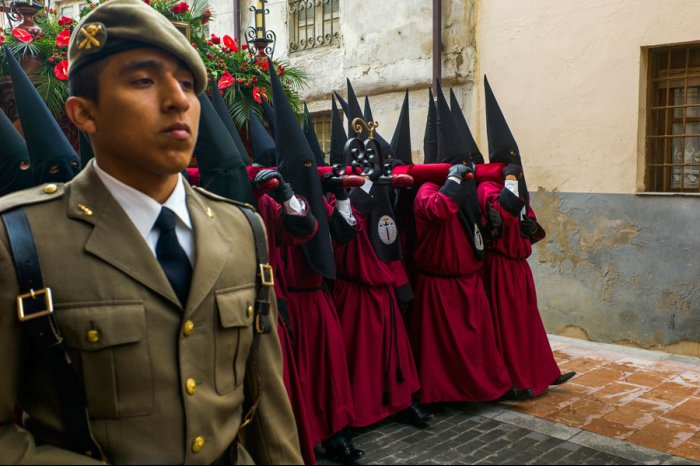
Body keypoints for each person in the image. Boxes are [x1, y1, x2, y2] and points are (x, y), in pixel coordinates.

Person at [0, 0, 302, 463]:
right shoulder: (19, 239)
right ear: (84, 114)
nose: (178, 99)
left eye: (187, 84)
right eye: (143, 80)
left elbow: (268, 411)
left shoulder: (243, 230)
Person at [407, 82, 528, 405]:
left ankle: (490, 389)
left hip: (469, 281)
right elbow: (437, 210)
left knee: (479, 347)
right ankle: (442, 396)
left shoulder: (469, 190)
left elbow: (492, 221)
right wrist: (453, 180)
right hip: (439, 286)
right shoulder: (427, 191)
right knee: (441, 351)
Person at [478, 76, 575, 397]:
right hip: (500, 266)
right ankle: (516, 379)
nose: (515, 167)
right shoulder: (489, 188)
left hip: (520, 266)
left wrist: (532, 229)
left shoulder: (515, 185)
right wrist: (507, 183)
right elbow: (500, 213)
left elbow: (526, 217)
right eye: (509, 160)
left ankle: (544, 372)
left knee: (529, 322)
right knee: (509, 326)